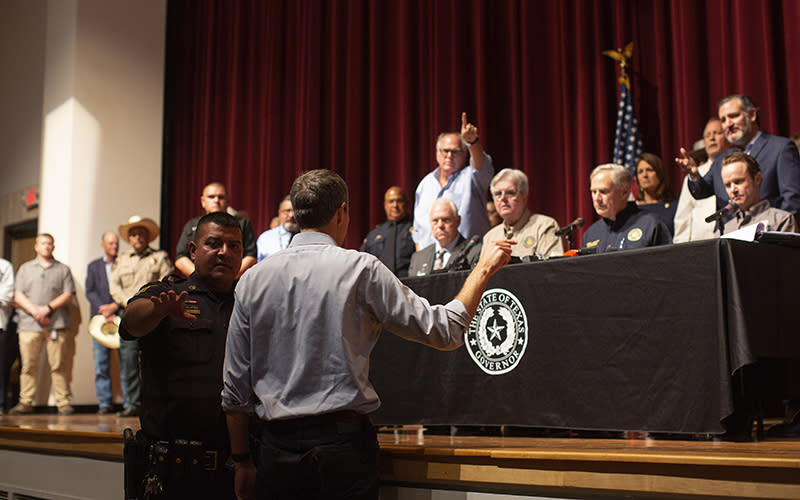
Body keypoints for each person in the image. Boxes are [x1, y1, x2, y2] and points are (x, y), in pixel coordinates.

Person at [222, 169, 513, 500]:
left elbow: (234, 389)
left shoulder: (251, 280)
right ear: (342, 212)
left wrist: (242, 461)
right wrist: (483, 270)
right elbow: (444, 330)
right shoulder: (361, 269)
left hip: (274, 451)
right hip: (343, 450)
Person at [119, 212, 243, 500]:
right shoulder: (169, 293)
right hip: (173, 470)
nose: (224, 253)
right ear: (193, 250)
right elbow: (131, 323)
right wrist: (158, 311)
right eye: (213, 243)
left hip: (234, 466)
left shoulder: (249, 301)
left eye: (233, 245)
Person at [677, 94, 800, 219]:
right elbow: (701, 191)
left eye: (733, 116)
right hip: (729, 234)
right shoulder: (721, 159)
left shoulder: (780, 148)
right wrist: (694, 176)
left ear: (752, 115)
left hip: (769, 232)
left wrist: (778, 231)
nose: (728, 124)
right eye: (723, 120)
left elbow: (793, 198)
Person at [110, 216, 173, 417]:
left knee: (155, 359)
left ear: (148, 237)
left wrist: (148, 305)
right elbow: (114, 286)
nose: (138, 238)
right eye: (134, 234)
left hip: (153, 313)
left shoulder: (160, 257)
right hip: (127, 314)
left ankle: (154, 402)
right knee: (128, 361)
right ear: (129, 238)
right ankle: (133, 404)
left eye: (141, 234)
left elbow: (167, 280)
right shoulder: (122, 260)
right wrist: (128, 303)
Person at [10, 234, 76, 415]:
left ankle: (62, 402)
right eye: (43, 243)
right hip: (28, 325)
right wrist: (35, 311)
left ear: (53, 247)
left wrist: (47, 308)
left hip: (56, 324)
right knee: (28, 365)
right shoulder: (25, 269)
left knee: (58, 365)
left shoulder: (63, 269)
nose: (47, 246)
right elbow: (18, 295)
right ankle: (25, 402)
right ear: (36, 246)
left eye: (50, 243)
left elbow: (68, 294)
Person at [413, 112, 494, 248]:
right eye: (445, 151)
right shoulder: (425, 184)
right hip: (431, 261)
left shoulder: (471, 178)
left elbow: (482, 167)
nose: (449, 156)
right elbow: (418, 231)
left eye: (455, 152)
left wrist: (472, 143)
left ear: (464, 154)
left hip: (467, 258)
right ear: (437, 153)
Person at [582, 164, 671, 252]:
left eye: (603, 191)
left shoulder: (651, 225)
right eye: (594, 192)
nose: (597, 198)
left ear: (624, 192)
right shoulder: (591, 234)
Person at [175, 182, 257, 277]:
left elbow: (251, 256)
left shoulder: (243, 224)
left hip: (234, 284)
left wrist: (228, 277)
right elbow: (180, 258)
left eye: (221, 197)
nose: (216, 200)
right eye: (211, 197)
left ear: (227, 200)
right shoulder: (191, 225)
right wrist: (201, 278)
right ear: (203, 201)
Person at [482, 168, 564, 259]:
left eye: (510, 193)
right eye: (498, 194)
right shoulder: (490, 237)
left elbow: (552, 269)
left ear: (524, 197)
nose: (503, 198)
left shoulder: (544, 226)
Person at [673, 118, 732, 242]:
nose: (711, 138)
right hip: (700, 244)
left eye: (717, 133)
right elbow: (683, 217)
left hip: (729, 236)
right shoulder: (695, 174)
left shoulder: (736, 169)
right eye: (707, 135)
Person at [85, 232, 121, 414]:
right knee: (101, 364)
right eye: (111, 243)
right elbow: (89, 291)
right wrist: (104, 308)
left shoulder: (124, 263)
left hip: (120, 316)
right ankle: (105, 403)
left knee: (127, 363)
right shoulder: (93, 266)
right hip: (99, 319)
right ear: (103, 245)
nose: (115, 246)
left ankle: (130, 403)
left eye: (116, 243)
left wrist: (114, 307)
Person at [720, 152, 797, 234]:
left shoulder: (782, 220)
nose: (733, 190)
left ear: (757, 179)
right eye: (728, 185)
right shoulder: (725, 230)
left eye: (738, 181)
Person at [409, 198, 483, 276]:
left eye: (445, 220)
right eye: (435, 221)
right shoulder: (418, 258)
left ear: (458, 221)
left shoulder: (474, 252)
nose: (440, 225)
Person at [360, 186, 415, 277]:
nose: (395, 205)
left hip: (409, 284)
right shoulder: (375, 234)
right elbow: (363, 262)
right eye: (391, 201)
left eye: (399, 201)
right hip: (379, 286)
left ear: (406, 204)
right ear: (385, 205)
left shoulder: (416, 230)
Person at [634, 153, 677, 235]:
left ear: (659, 174)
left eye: (649, 170)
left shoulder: (674, 207)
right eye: (640, 172)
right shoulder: (631, 209)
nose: (644, 175)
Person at [256, 196, 299, 261]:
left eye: (295, 211)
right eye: (287, 211)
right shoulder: (265, 238)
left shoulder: (308, 236)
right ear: (279, 213)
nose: (291, 215)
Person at [0, 258, 14, 414]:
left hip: (0, 324)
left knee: (1, 367)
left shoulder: (4, 266)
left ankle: (1, 403)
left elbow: (6, 296)